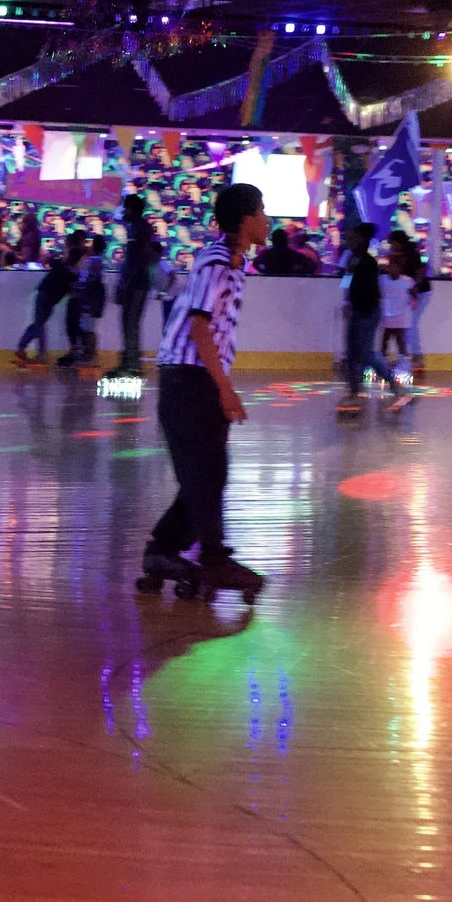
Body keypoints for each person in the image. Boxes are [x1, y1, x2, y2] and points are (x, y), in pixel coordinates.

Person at [139, 184, 269, 601]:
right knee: (206, 473)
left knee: (208, 473)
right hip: (187, 378)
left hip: (196, 378)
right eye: (262, 211)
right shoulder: (216, 261)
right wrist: (225, 390)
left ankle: (162, 549)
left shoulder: (233, 262)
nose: (267, 220)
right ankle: (212, 558)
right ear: (246, 219)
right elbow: (199, 327)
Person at [339, 223, 408, 409]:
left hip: (367, 312)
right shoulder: (353, 259)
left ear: (361, 240)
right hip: (358, 310)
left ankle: (393, 384)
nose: (349, 241)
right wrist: (346, 302)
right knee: (352, 353)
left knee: (366, 353)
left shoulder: (369, 263)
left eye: (352, 238)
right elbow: (347, 281)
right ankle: (354, 391)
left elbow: (371, 291)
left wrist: (357, 305)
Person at [15, 230, 88, 367]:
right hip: (46, 298)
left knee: (38, 324)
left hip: (46, 297)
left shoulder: (64, 267)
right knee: (39, 325)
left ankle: (24, 348)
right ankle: (38, 353)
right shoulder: (69, 272)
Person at [112, 197, 162, 377]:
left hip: (136, 285)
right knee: (129, 323)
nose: (123, 212)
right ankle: (129, 363)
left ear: (132, 210)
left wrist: (124, 283)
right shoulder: (140, 228)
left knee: (130, 323)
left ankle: (132, 365)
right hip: (136, 283)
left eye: (126, 208)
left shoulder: (139, 229)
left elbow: (136, 260)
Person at [387, 230, 430, 381]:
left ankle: (416, 357)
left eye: (392, 243)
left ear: (398, 242)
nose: (391, 246)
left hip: (420, 292)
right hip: (411, 292)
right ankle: (408, 357)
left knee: (410, 324)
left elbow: (419, 272)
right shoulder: (397, 254)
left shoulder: (412, 252)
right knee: (405, 325)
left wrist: (415, 289)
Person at [61, 233, 109, 368]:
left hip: (89, 299)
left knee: (87, 328)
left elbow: (87, 279)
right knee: (87, 327)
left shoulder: (92, 261)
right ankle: (88, 355)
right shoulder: (96, 260)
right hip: (90, 299)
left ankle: (89, 356)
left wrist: (78, 286)